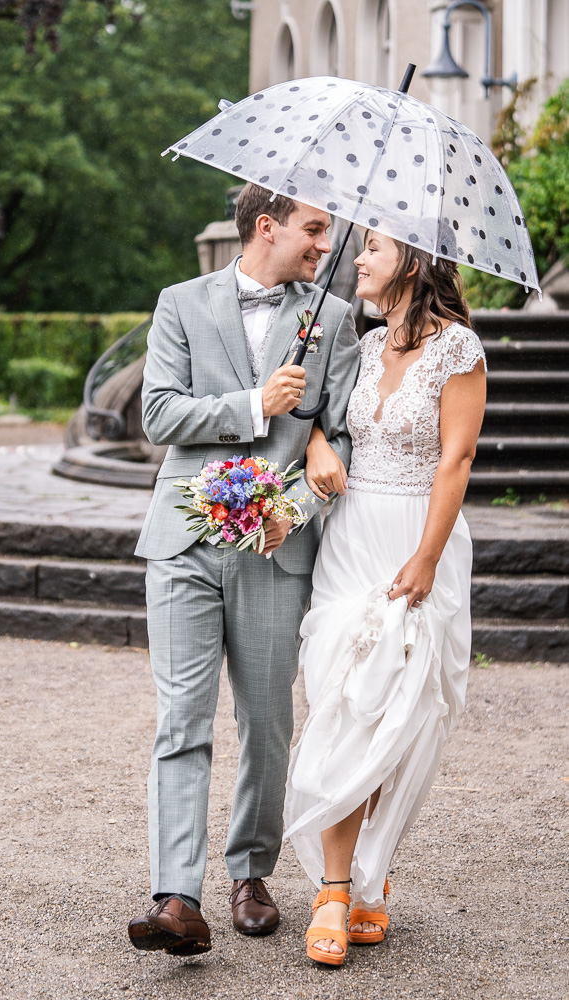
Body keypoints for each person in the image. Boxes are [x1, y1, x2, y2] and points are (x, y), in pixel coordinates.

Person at [127, 183, 360, 956]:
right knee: (180, 722)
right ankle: (175, 897)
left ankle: (250, 873)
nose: (326, 247)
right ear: (267, 226)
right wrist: (255, 403)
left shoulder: (330, 318)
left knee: (266, 722)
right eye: (314, 230)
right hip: (184, 542)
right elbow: (159, 414)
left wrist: (315, 453)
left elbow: (349, 431)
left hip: (275, 544)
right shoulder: (180, 303)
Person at [284, 229, 487, 967]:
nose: (358, 258)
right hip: (350, 540)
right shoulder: (364, 346)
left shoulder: (458, 350)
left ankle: (360, 879)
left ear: (415, 260)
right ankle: (338, 887)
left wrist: (427, 557)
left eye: (371, 247)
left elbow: (455, 459)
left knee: (400, 712)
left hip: (416, 539)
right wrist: (313, 446)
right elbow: (324, 425)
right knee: (343, 701)